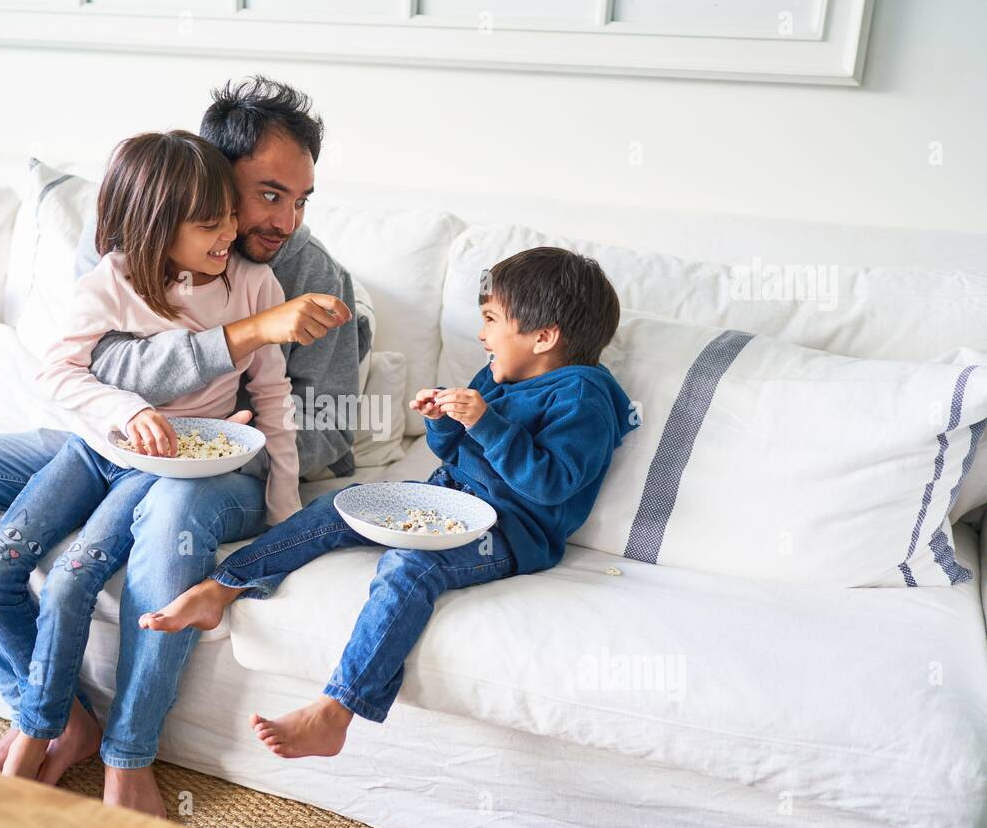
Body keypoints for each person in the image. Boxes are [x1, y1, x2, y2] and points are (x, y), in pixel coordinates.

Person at [0, 76, 366, 818]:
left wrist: (236, 437)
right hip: (108, 435)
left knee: (172, 503)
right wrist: (230, 343)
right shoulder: (128, 227)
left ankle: (129, 755)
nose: (286, 220)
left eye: (302, 199)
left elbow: (329, 419)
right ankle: (54, 716)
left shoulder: (301, 271)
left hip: (221, 461)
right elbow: (94, 366)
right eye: (270, 195)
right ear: (212, 170)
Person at [140, 247, 640, 760]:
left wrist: (485, 423)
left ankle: (337, 711)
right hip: (446, 502)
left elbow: (552, 484)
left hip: (510, 532)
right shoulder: (498, 374)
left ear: (544, 336)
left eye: (491, 320)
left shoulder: (583, 397)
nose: (483, 334)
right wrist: (444, 421)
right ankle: (224, 586)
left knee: (411, 566)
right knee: (345, 504)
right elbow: (455, 451)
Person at [0, 129, 300, 782]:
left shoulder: (255, 285)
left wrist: (281, 512)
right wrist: (128, 409)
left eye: (229, 213)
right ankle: (62, 721)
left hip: (165, 466)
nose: (229, 231)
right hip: (95, 450)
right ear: (154, 229)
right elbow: (58, 373)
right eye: (210, 223)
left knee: (70, 580)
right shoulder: (108, 284)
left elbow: (274, 395)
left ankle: (33, 745)